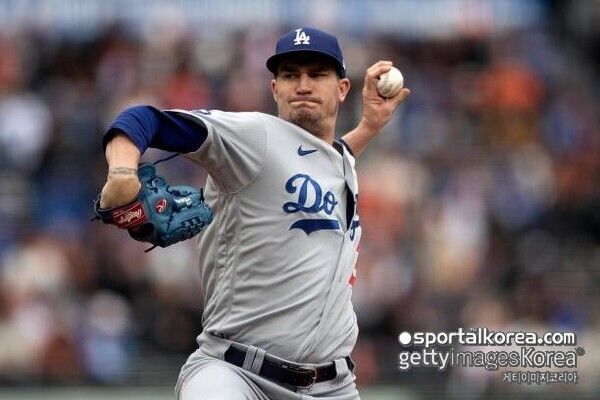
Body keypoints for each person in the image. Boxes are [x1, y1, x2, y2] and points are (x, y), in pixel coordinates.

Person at [99, 27, 409, 400]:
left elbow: (325, 157)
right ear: (275, 88)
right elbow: (142, 120)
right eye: (290, 75)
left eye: (317, 74)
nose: (303, 85)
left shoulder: (339, 162)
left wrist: (369, 127)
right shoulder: (253, 136)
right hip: (236, 374)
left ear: (342, 89)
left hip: (333, 387)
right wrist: (121, 171)